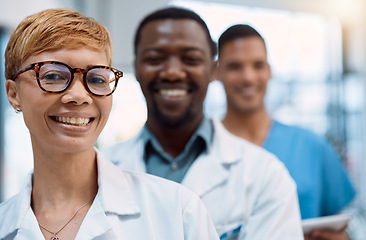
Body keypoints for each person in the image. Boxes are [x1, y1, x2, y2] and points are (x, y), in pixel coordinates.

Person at [0, 8, 219, 240]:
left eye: (96, 79)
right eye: (53, 76)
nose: (79, 95)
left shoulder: (178, 211)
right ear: (14, 94)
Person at [103, 7, 303, 239]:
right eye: (155, 59)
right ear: (136, 68)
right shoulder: (100, 172)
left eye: (191, 59)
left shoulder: (265, 176)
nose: (172, 73)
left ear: (213, 70)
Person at [216, 24, 356, 240]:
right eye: (235, 66)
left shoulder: (312, 146)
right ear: (216, 71)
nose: (248, 77)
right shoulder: (203, 149)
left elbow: (340, 230)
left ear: (269, 71)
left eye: (258, 65)